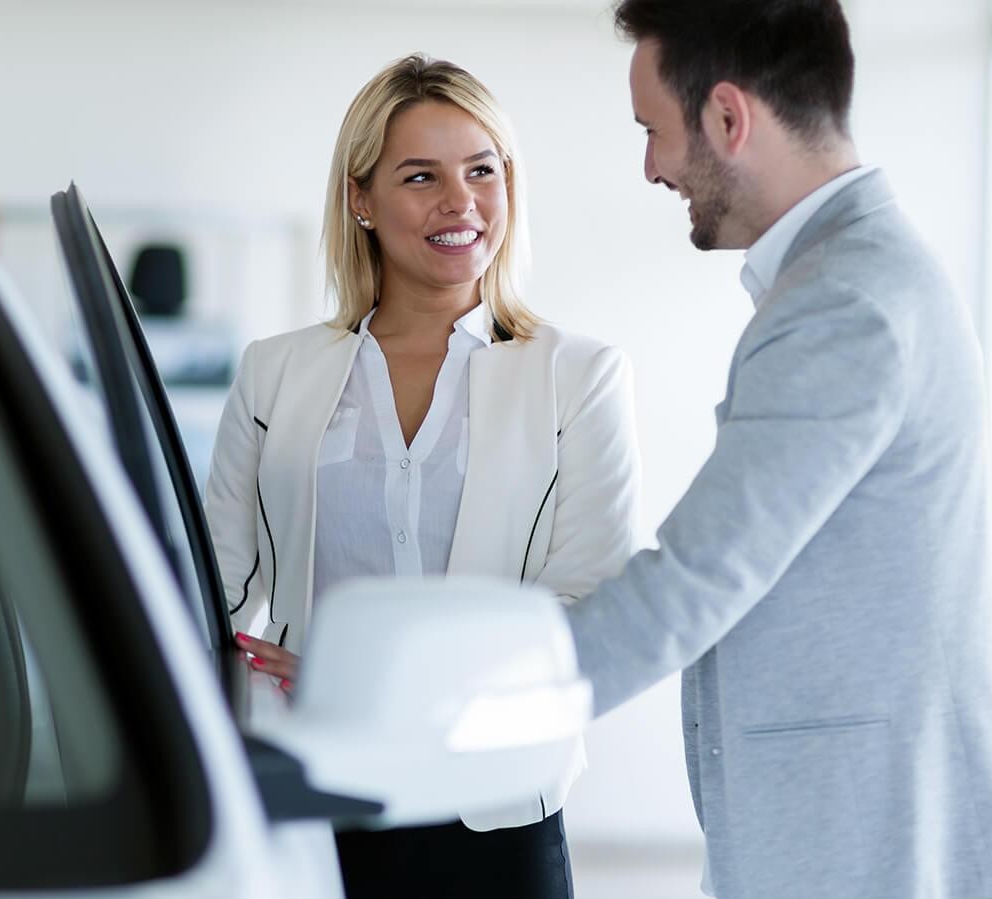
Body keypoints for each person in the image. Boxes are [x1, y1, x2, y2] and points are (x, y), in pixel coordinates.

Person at [559, 2, 992, 897]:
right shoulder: (858, 275)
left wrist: (456, 700)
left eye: (653, 133)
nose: (653, 168)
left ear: (729, 118)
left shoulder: (844, 302)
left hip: (874, 851)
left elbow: (695, 580)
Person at [204, 53, 641, 899]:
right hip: (316, 800)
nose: (461, 202)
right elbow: (211, 588)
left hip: (497, 806)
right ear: (360, 198)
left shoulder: (578, 375)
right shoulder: (274, 373)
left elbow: (591, 600)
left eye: (483, 170)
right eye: (421, 176)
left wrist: (379, 672)